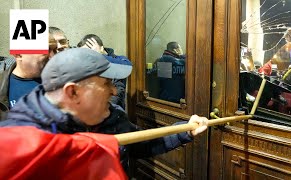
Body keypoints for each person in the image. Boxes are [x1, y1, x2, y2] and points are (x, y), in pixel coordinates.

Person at [0, 48, 208, 175]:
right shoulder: (18, 143)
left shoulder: (112, 117)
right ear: (72, 92)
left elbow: (142, 143)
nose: (115, 90)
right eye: (106, 83)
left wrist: (185, 130)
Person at [0, 35, 57, 119]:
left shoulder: (61, 81)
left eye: (54, 50)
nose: (52, 55)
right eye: (46, 50)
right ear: (18, 54)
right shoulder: (2, 86)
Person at [77, 34, 132, 110]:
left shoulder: (118, 60)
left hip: (112, 112)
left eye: (90, 52)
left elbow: (127, 67)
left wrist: (98, 56)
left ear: (102, 49)